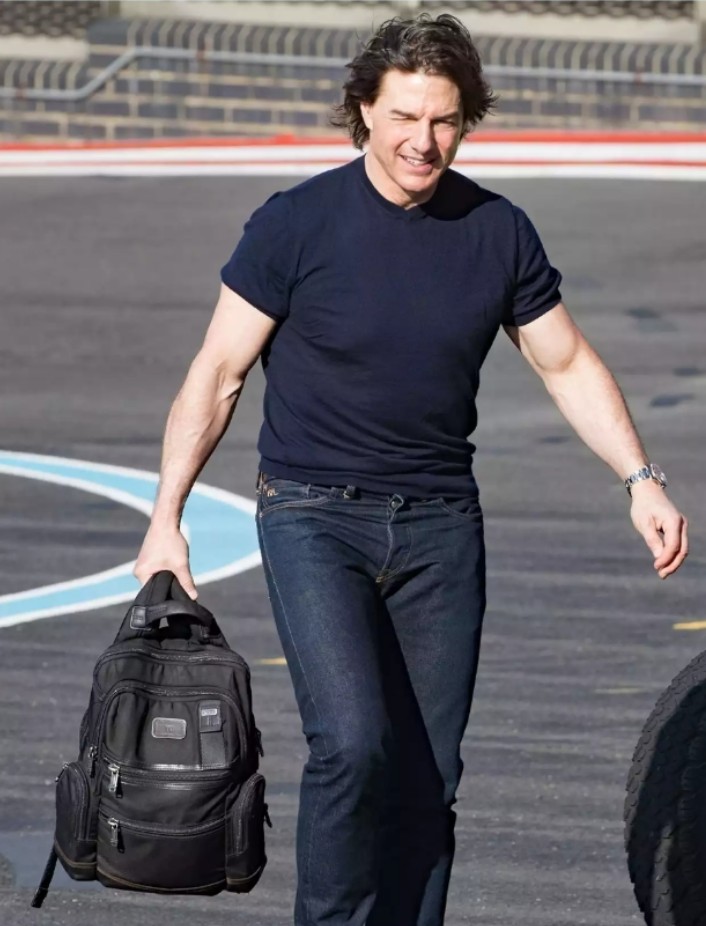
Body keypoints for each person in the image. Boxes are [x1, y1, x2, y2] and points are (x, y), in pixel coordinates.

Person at [134, 13, 688, 926]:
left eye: (443, 120)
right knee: (353, 747)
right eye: (403, 117)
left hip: (440, 525)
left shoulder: (497, 231)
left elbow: (565, 364)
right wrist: (167, 519)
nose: (422, 141)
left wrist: (641, 478)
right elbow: (218, 373)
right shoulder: (295, 225)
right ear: (364, 110)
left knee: (429, 775)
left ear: (466, 120)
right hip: (314, 514)